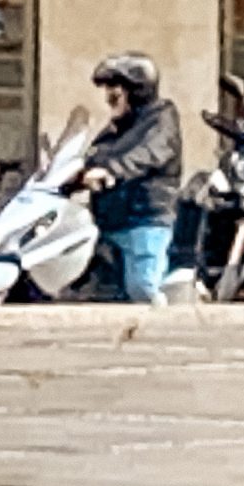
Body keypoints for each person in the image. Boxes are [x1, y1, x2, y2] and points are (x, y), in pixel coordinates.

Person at [79, 52, 182, 304]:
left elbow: (149, 153)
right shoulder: (117, 128)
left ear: (136, 91)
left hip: (144, 220)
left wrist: (112, 170)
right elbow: (94, 155)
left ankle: (165, 334)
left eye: (114, 90)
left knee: (143, 289)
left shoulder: (162, 120)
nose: (108, 97)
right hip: (109, 223)